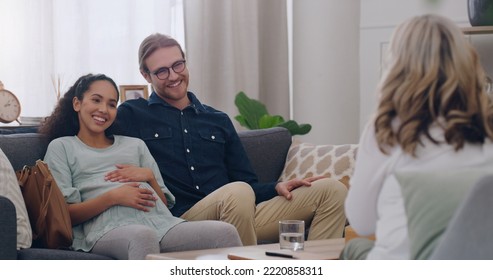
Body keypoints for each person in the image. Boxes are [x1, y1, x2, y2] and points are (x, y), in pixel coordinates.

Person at [113, 33, 348, 246]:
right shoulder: (133, 114)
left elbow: (247, 182)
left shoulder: (217, 119)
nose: (174, 76)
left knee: (332, 190)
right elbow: (87, 130)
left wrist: (277, 186)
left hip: (239, 212)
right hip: (183, 220)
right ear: (146, 75)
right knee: (237, 192)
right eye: (162, 71)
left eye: (178, 65)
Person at [38, 74, 241, 260]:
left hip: (161, 225)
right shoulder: (62, 147)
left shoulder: (135, 145)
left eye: (111, 104)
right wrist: (113, 197)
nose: (103, 110)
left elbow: (163, 205)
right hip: (104, 230)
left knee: (225, 232)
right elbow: (65, 214)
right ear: (77, 103)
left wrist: (150, 177)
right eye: (96, 100)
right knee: (142, 237)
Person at [343, 14, 493, 259]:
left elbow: (362, 222)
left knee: (354, 248)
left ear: (398, 66)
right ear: (466, 62)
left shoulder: (386, 128)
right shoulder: (486, 128)